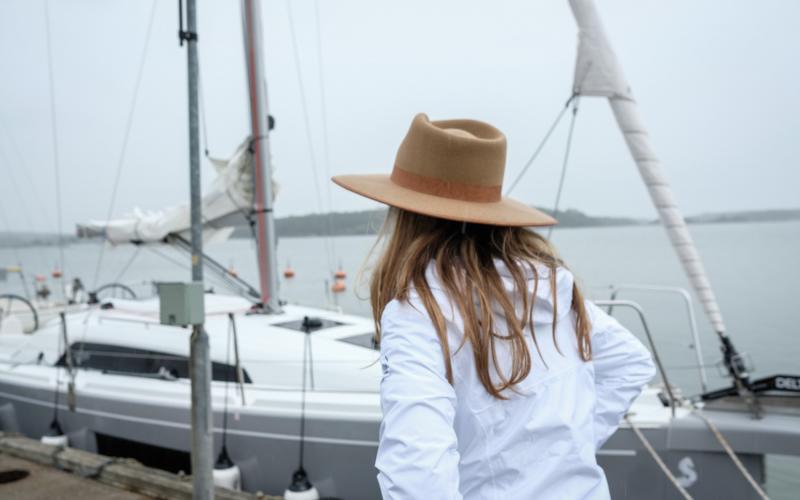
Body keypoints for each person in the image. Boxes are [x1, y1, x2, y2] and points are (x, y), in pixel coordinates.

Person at [332, 113, 656, 499]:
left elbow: (417, 476)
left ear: (404, 215)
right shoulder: (548, 285)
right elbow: (630, 363)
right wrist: (561, 454)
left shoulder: (418, 313)